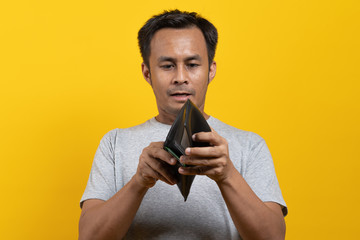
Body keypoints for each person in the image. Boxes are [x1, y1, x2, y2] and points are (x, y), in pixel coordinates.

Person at [79, 9, 287, 240]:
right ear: (147, 73)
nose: (180, 77)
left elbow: (273, 238)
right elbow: (89, 237)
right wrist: (139, 181)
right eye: (167, 65)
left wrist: (227, 174)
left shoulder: (250, 145)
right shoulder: (114, 143)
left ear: (210, 71)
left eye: (192, 64)